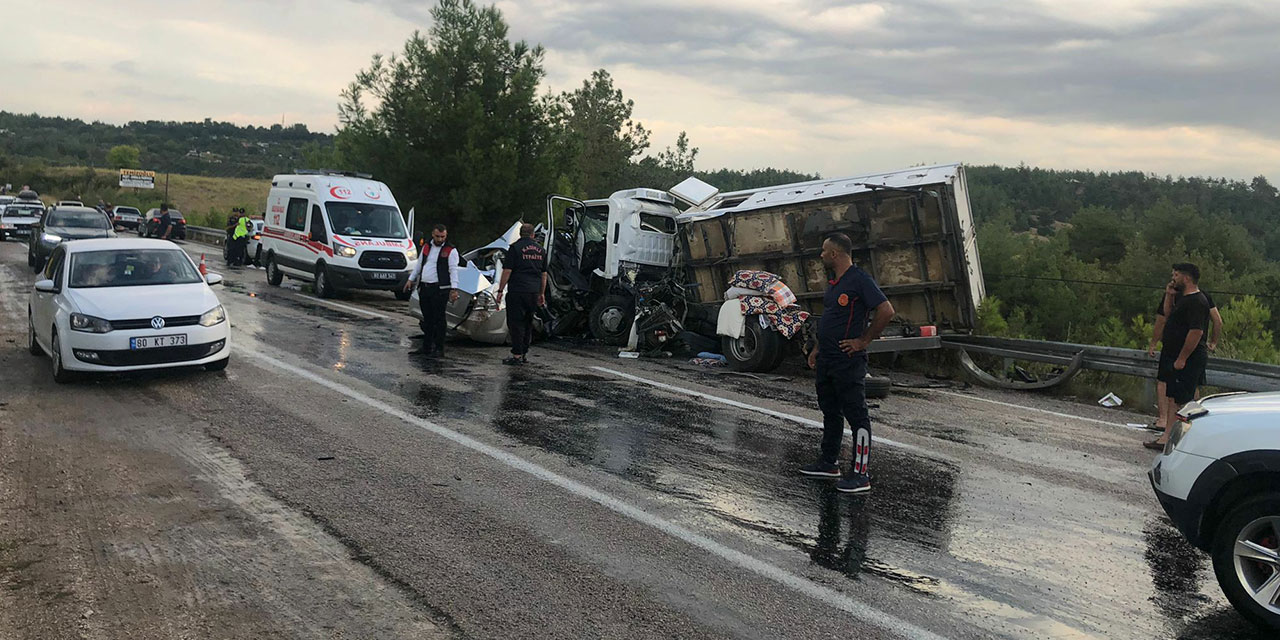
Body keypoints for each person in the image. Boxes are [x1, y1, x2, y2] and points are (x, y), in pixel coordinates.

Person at [799, 233, 895, 494]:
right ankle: (828, 463)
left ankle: (860, 474)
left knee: (856, 415)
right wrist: (817, 348)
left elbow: (886, 310)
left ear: (835, 254)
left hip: (847, 360)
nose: (820, 255)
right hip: (828, 357)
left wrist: (863, 341)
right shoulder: (833, 283)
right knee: (830, 411)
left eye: (823, 251)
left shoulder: (860, 280)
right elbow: (830, 318)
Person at [1146, 263, 1212, 450]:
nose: (1173, 278)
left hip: (1188, 359)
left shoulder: (1197, 301)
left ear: (1187, 278)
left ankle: (1183, 441)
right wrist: (1169, 295)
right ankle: (1166, 438)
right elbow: (1168, 315)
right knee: (1173, 399)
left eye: (1176, 275)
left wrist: (1182, 358)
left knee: (1183, 401)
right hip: (1173, 355)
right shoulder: (1183, 299)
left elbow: (1196, 332)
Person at [1147, 287, 1223, 430]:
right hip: (1198, 350)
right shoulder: (1204, 297)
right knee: (1192, 384)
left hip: (1175, 348)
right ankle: (1190, 421)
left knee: (1165, 382)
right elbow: (1218, 321)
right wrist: (1213, 342)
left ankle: (1164, 420)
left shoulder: (1178, 296)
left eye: (1176, 274)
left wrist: (1154, 342)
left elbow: (1162, 319)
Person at [403, 224, 460, 357]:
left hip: (440, 289)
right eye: (437, 236)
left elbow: (453, 271)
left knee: (439, 319)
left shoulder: (451, 250)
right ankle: (427, 346)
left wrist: (454, 289)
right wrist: (411, 279)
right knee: (427, 318)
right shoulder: (427, 246)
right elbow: (419, 264)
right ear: (433, 235)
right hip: (425, 286)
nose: (440, 239)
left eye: (442, 237)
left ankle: (439, 348)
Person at [495, 223, 547, 365]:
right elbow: (544, 275)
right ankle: (524, 353)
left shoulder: (515, 248)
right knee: (528, 323)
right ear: (533, 235)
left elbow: (507, 271)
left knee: (516, 323)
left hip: (517, 291)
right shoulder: (541, 250)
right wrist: (541, 293)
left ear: (520, 234)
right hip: (533, 291)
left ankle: (516, 355)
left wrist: (500, 290)